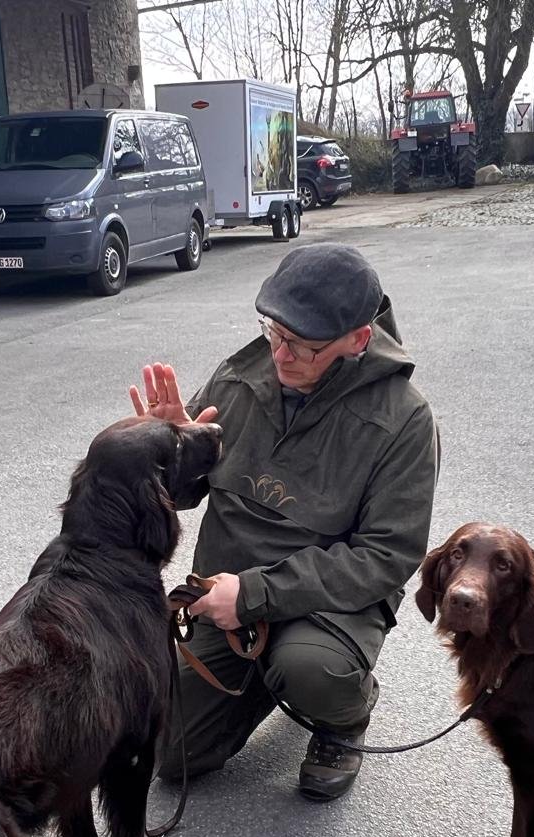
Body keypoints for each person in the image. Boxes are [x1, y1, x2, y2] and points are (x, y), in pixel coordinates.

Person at [129, 244, 438, 801]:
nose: (282, 354)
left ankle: (341, 717)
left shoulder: (404, 418)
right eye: (274, 331)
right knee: (170, 753)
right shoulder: (239, 376)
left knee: (312, 670)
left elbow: (387, 557)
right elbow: (182, 495)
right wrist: (171, 451)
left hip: (326, 605)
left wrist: (254, 595)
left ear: (358, 340)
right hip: (224, 595)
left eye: (304, 346)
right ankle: (261, 673)